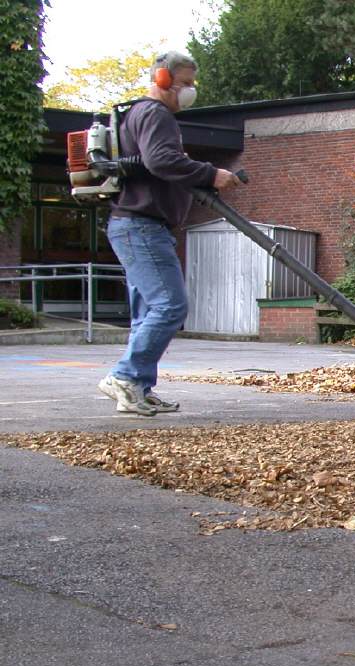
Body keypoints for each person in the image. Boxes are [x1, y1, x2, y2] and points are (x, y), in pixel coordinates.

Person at [97, 51, 239, 416]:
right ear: (162, 79)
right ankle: (125, 377)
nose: (191, 91)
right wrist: (210, 174)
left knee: (147, 312)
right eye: (186, 83)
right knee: (170, 306)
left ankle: (139, 388)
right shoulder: (154, 113)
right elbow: (161, 161)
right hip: (141, 225)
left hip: (138, 225)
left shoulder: (139, 115)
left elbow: (154, 165)